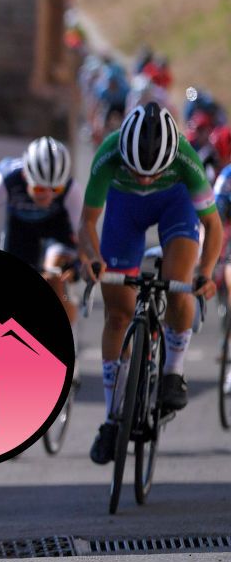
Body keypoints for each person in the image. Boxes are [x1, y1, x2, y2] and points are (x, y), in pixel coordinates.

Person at [79, 103, 222, 465]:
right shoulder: (109, 152)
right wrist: (93, 261)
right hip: (124, 211)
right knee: (117, 315)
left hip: (175, 206)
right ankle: (113, 418)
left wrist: (205, 272)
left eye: (152, 172)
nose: (144, 178)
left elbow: (214, 226)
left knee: (178, 282)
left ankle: (173, 372)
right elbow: (87, 223)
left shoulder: (186, 159)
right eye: (136, 171)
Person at [0, 136, 82, 326]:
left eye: (55, 189)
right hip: (21, 229)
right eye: (40, 189)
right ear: (26, 177)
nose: (48, 196)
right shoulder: (9, 179)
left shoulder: (72, 190)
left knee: (54, 272)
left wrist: (76, 266)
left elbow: (82, 235)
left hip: (57, 230)